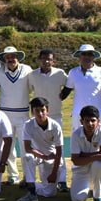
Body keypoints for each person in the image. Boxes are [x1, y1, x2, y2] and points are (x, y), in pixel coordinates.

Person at [60, 43, 101, 193]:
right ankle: (78, 179)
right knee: (78, 147)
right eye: (84, 54)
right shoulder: (73, 73)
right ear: (79, 56)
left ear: (94, 56)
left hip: (99, 116)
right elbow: (64, 93)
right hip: (78, 117)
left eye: (90, 54)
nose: (87, 57)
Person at [28, 49, 69, 192]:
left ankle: (62, 180)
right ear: (39, 60)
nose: (46, 61)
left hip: (56, 116)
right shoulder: (32, 75)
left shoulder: (60, 74)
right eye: (43, 58)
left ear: (53, 61)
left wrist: (63, 95)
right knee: (37, 149)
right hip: (38, 117)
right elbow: (29, 90)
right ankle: (33, 180)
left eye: (49, 59)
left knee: (59, 149)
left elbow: (69, 85)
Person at [0, 46, 32, 185]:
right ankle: (13, 176)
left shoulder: (27, 70)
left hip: (23, 115)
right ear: (4, 59)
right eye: (7, 57)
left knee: (25, 148)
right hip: (5, 115)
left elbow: (33, 87)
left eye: (13, 56)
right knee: (8, 148)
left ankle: (28, 177)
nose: (10, 59)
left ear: (18, 57)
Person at [16, 97, 63, 201]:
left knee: (49, 193)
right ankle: (31, 192)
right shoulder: (28, 124)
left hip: (52, 158)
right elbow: (28, 148)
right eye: (37, 111)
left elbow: (59, 151)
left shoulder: (55, 126)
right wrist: (44, 156)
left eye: (43, 110)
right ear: (32, 112)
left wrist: (54, 173)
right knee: (28, 157)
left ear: (47, 110)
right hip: (37, 155)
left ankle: (31, 183)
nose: (40, 114)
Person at [70, 105, 101, 201]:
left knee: (99, 164)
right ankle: (86, 189)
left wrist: (82, 155)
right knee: (77, 200)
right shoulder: (76, 134)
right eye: (87, 121)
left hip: (97, 168)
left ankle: (98, 196)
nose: (90, 124)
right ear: (81, 121)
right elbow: (75, 161)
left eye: (93, 121)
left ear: (98, 121)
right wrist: (95, 156)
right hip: (81, 170)